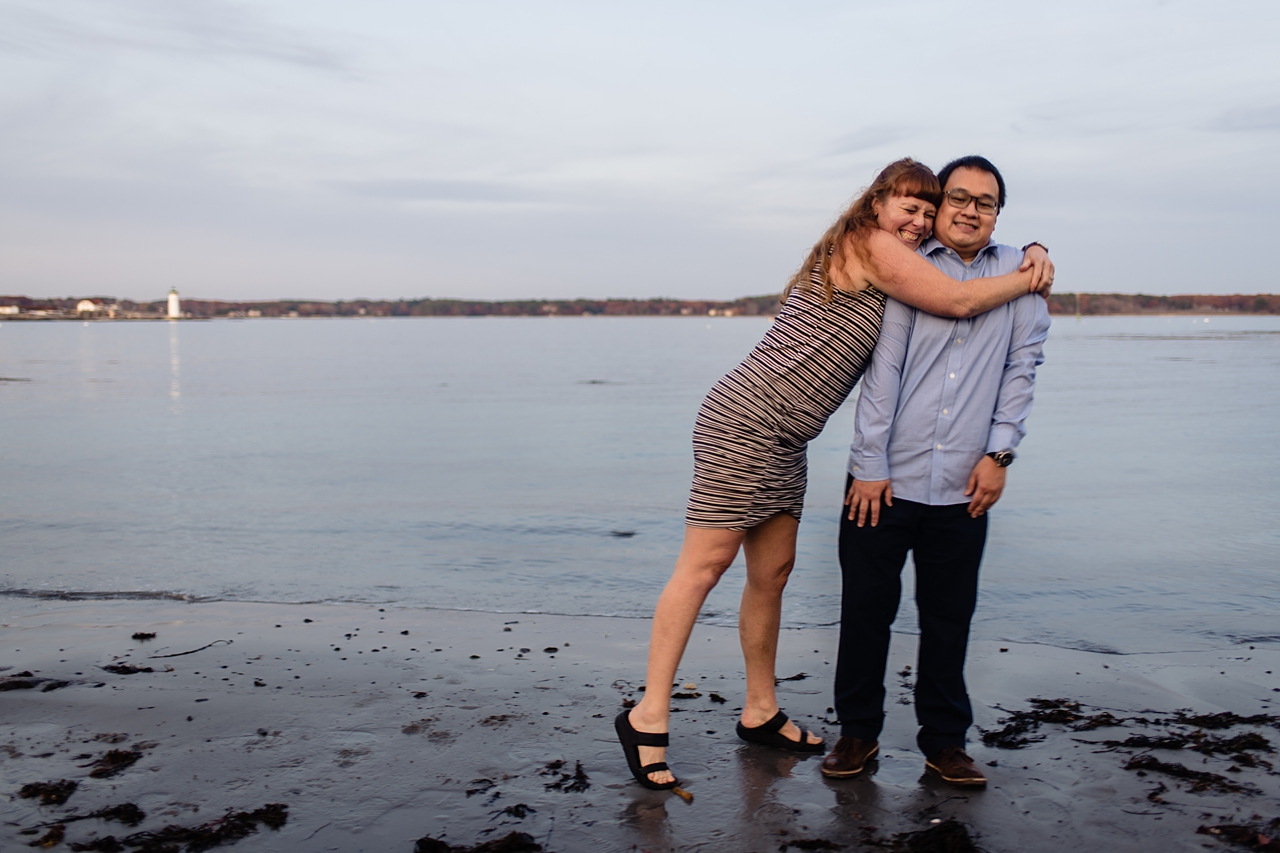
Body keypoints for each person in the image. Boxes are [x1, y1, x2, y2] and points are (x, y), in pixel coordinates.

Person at [615, 158, 1054, 791]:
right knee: (704, 567)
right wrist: (1030, 272)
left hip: (789, 437)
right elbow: (957, 299)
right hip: (744, 421)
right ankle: (648, 715)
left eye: (927, 212)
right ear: (875, 204)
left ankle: (760, 710)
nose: (919, 221)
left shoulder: (909, 253)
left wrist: (1029, 250)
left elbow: (981, 296)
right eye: (910, 206)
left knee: (772, 574)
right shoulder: (870, 243)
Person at [821, 155, 1051, 788]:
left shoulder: (1021, 274)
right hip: (882, 482)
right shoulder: (908, 268)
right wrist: (868, 465)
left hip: (964, 483)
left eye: (987, 201)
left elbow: (1020, 373)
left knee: (949, 617)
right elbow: (882, 375)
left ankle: (945, 743)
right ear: (942, 203)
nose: (971, 209)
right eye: (959, 197)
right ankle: (857, 735)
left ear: (997, 213)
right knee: (866, 610)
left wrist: (1000, 456)